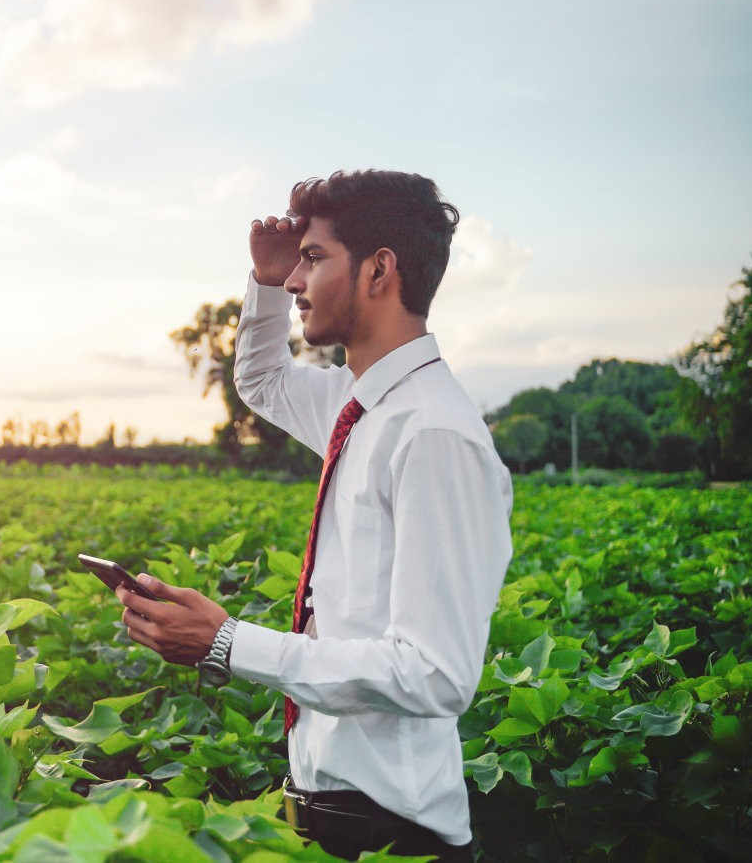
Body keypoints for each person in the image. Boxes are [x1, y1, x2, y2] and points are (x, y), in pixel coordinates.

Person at [116, 170, 512, 861]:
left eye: (315, 258)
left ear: (379, 270)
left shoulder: (432, 433)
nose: (297, 281)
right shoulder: (356, 406)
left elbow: (435, 674)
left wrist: (227, 641)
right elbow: (261, 379)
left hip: (396, 833)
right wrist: (265, 280)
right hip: (330, 816)